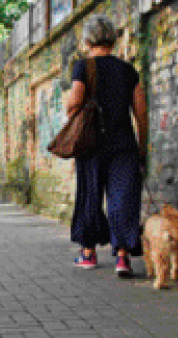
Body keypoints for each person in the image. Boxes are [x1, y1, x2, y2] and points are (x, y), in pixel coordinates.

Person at [65, 14, 148, 278]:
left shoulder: (83, 67)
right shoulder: (127, 70)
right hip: (123, 145)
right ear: (113, 39)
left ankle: (88, 253)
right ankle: (122, 257)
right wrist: (142, 147)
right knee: (123, 197)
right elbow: (141, 113)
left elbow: (72, 105)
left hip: (91, 145)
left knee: (89, 195)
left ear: (88, 39)